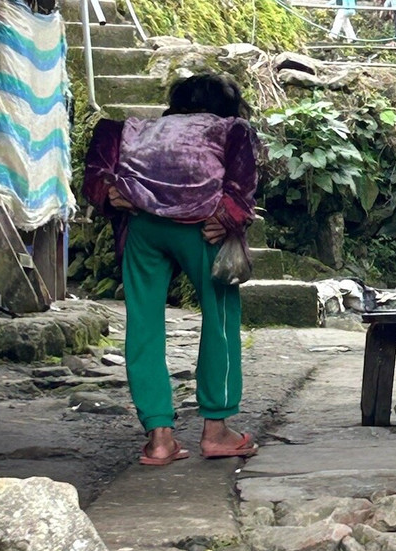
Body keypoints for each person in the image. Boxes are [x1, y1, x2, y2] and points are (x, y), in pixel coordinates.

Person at [83, 74, 263, 466]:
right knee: (219, 318)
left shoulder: (135, 129)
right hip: (202, 227)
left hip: (142, 226)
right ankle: (216, 430)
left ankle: (159, 439)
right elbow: (242, 184)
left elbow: (98, 172)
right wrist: (230, 217)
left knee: (143, 323)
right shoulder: (231, 128)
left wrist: (108, 192)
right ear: (227, 107)